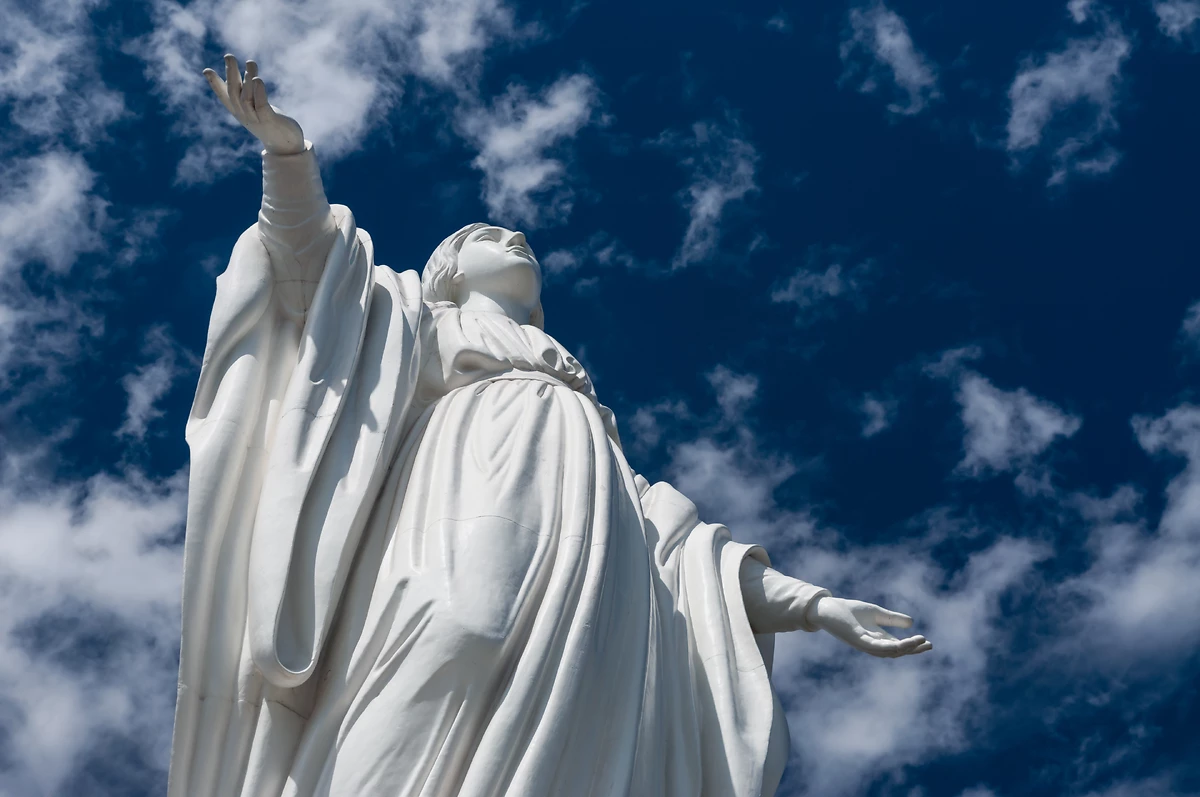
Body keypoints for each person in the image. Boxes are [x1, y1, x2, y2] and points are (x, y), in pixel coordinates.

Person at [168, 55, 931, 797]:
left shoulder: (583, 414)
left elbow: (683, 551)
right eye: (489, 236)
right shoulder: (409, 319)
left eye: (517, 238)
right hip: (459, 472)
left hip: (585, 539)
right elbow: (309, 270)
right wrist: (287, 155)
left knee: (588, 709)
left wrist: (814, 606)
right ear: (450, 270)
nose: (518, 240)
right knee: (456, 632)